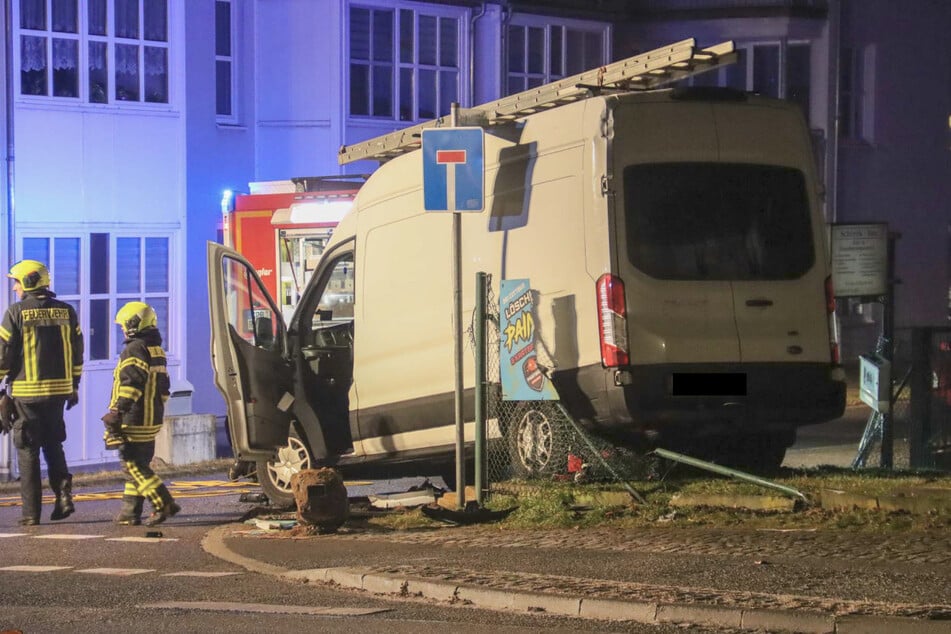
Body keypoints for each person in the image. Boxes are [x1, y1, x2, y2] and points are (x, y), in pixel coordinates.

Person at [0, 259, 83, 526]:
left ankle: (31, 514)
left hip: (26, 394)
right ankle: (63, 498)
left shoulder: (16, 312)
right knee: (53, 445)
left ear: (28, 282)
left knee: (27, 450)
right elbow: (78, 352)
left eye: (16, 282)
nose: (14, 288)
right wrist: (74, 385)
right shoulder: (67, 312)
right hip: (60, 392)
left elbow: (4, 356)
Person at [102, 301, 180, 526]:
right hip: (152, 418)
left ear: (132, 324)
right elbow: (164, 387)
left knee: (132, 465)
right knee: (138, 464)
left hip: (133, 418)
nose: (122, 330)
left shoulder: (134, 348)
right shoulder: (156, 350)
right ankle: (130, 511)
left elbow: (131, 383)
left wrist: (118, 410)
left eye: (123, 326)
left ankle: (163, 502)